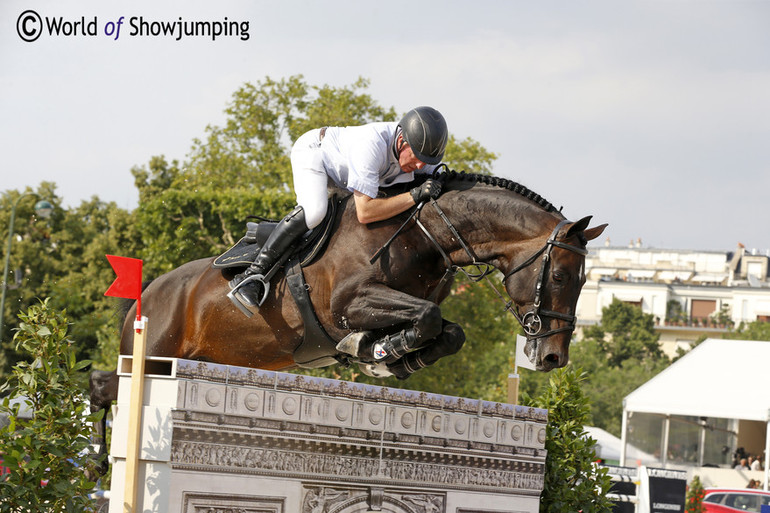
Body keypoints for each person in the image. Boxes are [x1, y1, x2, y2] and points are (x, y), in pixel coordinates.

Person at [229, 106, 448, 310]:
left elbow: (441, 178)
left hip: (348, 176)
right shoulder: (372, 145)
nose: (420, 166)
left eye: (426, 160)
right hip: (317, 155)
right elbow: (365, 212)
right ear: (402, 140)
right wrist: (414, 195)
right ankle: (251, 276)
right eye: (417, 157)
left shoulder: (420, 152)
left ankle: (271, 232)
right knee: (314, 213)